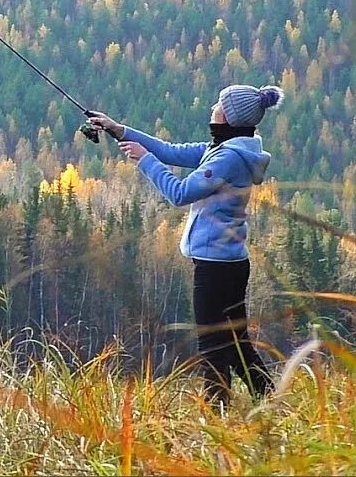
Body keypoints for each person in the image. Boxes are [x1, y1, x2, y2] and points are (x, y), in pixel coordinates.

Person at [86, 84, 282, 403]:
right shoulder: (229, 149)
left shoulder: (227, 158)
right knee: (234, 339)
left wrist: (145, 160)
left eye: (219, 105)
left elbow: (179, 193)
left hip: (215, 267)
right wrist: (118, 130)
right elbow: (172, 151)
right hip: (230, 262)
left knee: (212, 341)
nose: (212, 108)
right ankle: (269, 397)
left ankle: (217, 409)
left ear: (230, 118)